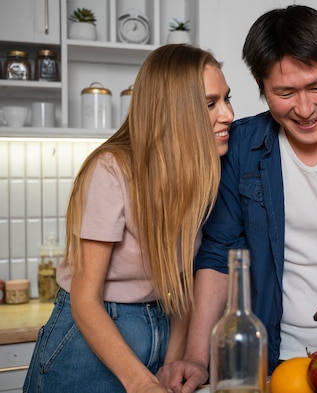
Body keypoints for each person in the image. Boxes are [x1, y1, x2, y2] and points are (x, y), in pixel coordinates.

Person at [158, 5, 317, 393]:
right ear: (260, 85)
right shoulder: (238, 148)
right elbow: (219, 255)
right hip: (274, 365)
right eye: (285, 92)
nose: (305, 110)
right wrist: (196, 357)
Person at [23, 44, 234, 393]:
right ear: (173, 110)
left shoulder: (201, 174)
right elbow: (84, 299)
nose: (227, 114)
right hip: (92, 339)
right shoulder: (111, 169)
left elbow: (180, 285)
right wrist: (139, 381)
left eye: (227, 99)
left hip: (159, 328)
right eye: (211, 104)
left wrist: (172, 360)